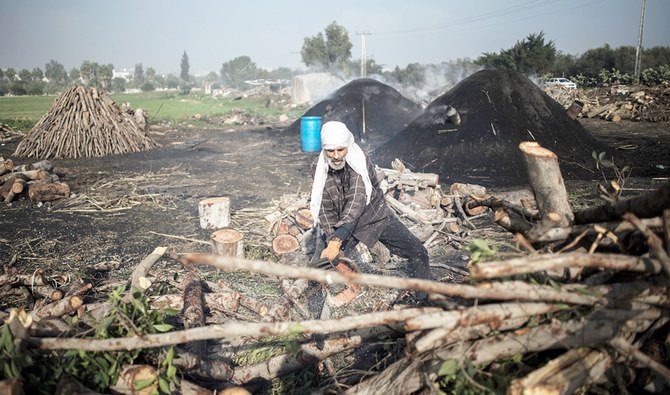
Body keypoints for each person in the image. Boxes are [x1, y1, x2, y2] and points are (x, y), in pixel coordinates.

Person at [309, 121, 432, 282]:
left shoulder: (358, 160)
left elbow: (357, 198)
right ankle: (323, 301)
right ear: (324, 150)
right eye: (331, 151)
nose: (337, 156)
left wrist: (336, 240)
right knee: (324, 267)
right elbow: (325, 209)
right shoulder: (318, 168)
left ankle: (424, 297)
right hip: (344, 226)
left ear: (348, 146)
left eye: (340, 150)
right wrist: (333, 238)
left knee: (418, 251)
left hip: (374, 216)